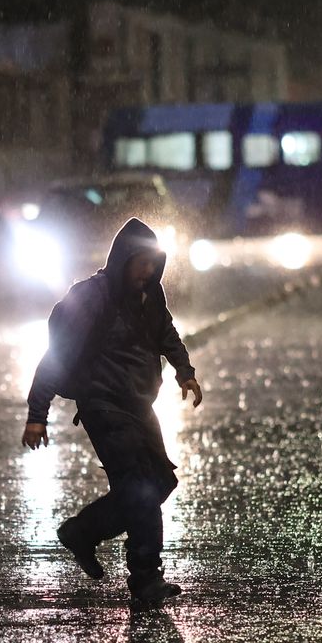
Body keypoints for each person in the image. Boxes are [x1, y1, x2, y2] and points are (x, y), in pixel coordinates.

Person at [23, 218, 203, 610]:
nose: (148, 272)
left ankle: (82, 532)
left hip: (139, 405)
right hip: (103, 405)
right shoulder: (92, 298)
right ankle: (145, 578)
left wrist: (184, 371)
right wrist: (37, 413)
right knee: (139, 488)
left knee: (158, 484)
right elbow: (58, 356)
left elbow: (166, 333)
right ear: (123, 260)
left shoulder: (149, 296)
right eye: (141, 263)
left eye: (154, 265)